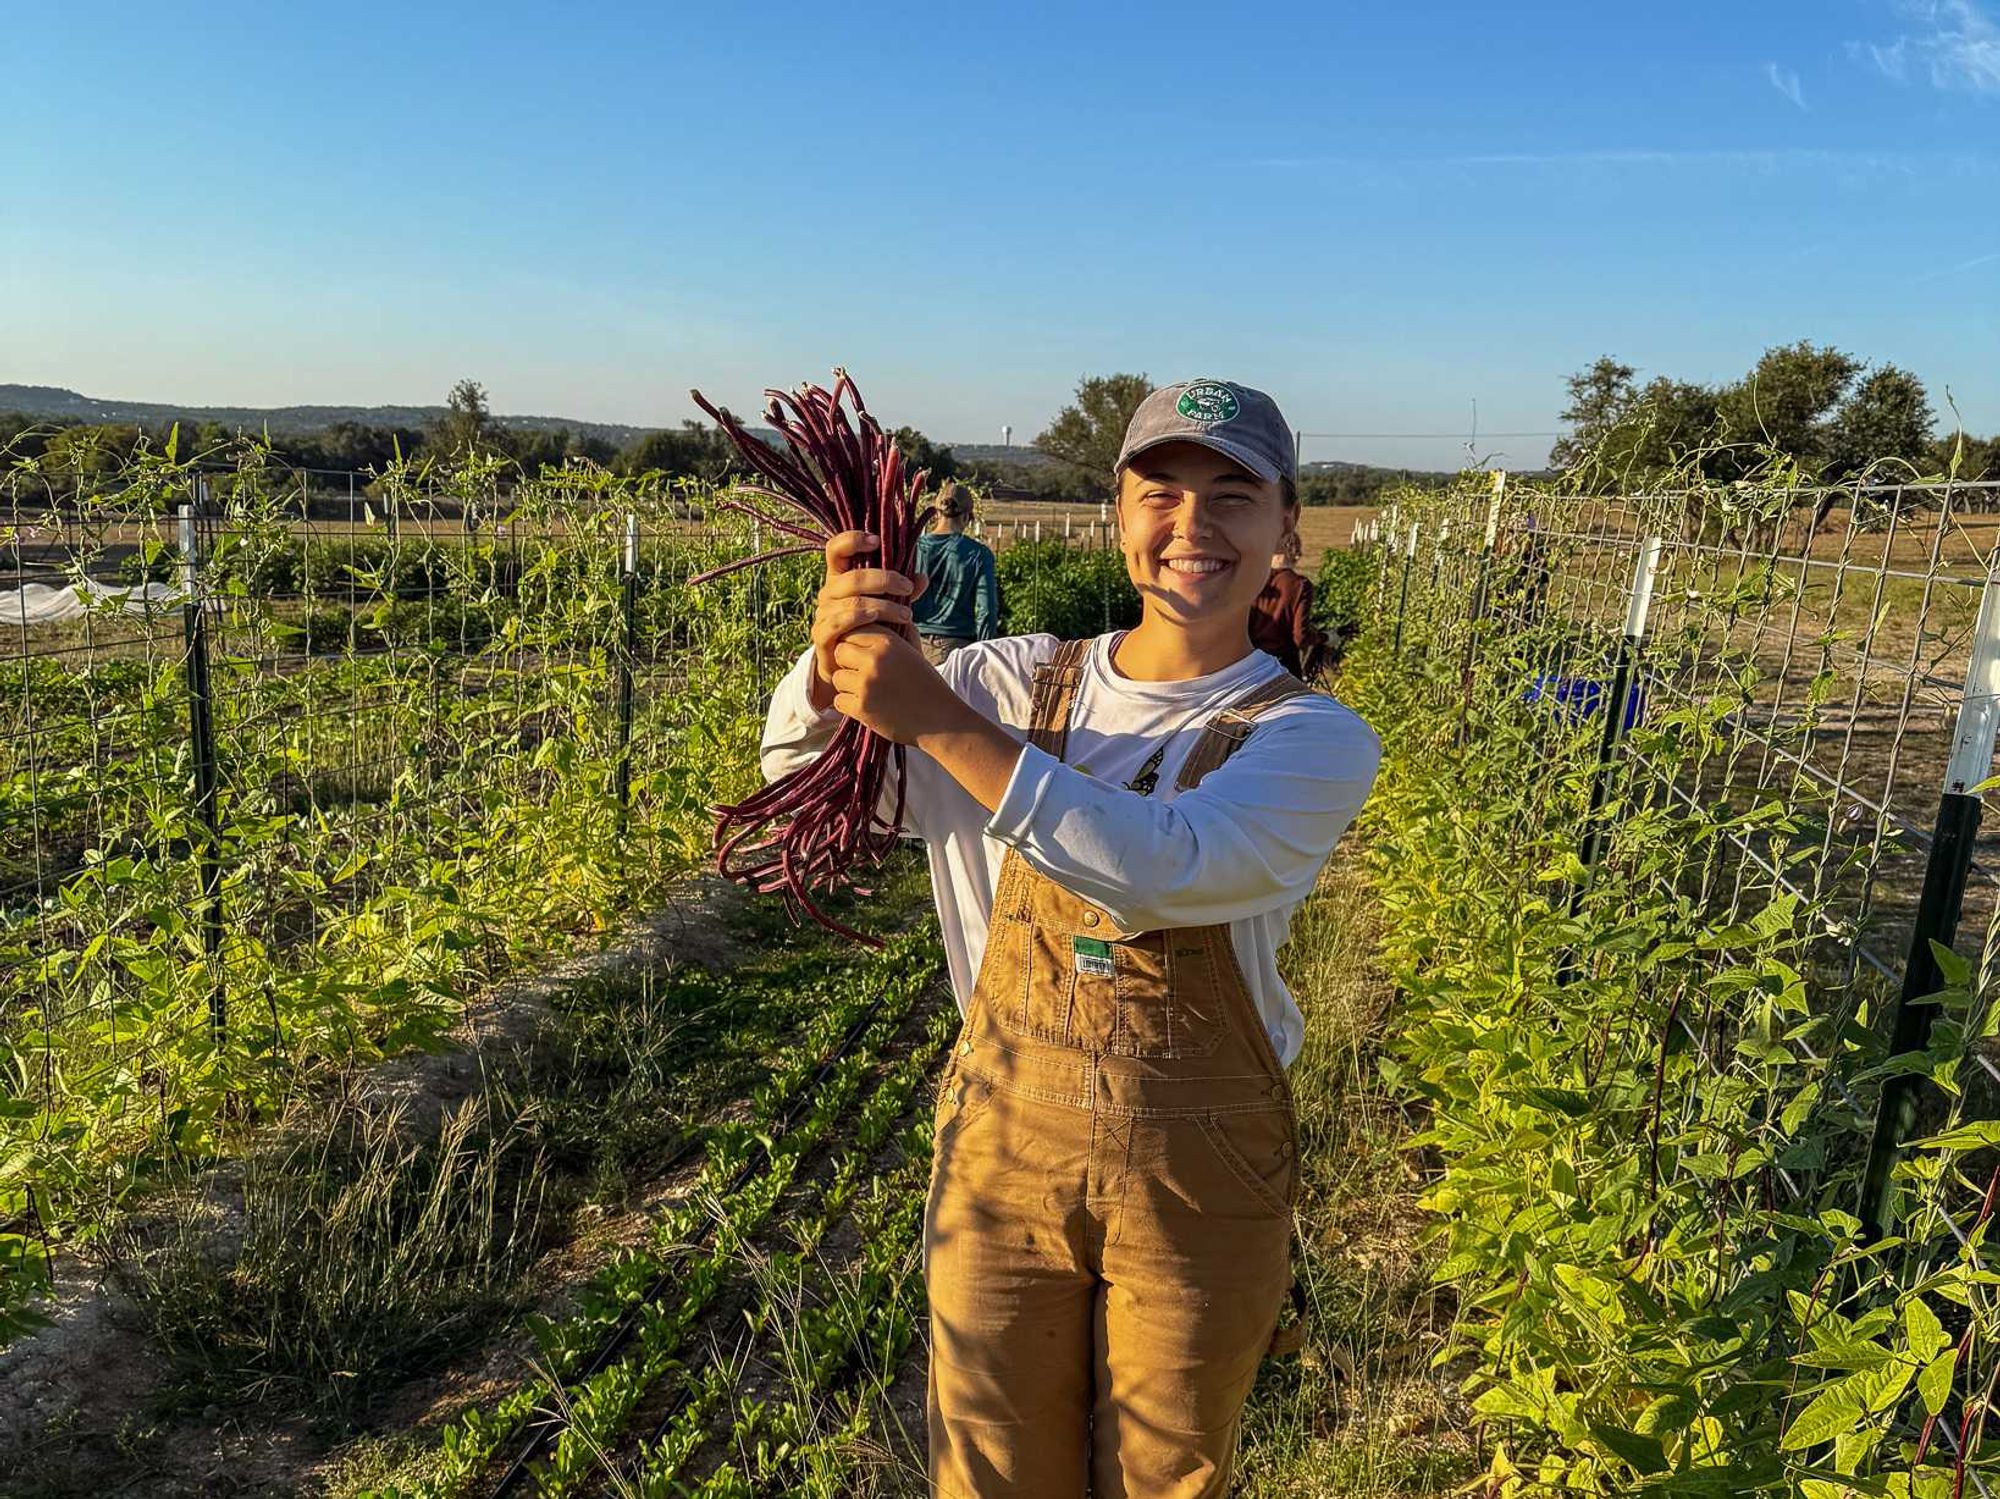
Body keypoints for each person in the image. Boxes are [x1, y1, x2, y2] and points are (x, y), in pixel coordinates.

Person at [761, 378, 1381, 1498]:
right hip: (999, 1145)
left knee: (1165, 1475)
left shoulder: (1308, 736)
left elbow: (1163, 867)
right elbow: (810, 780)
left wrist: (939, 721)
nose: (1192, 526)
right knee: (989, 1468)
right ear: (1116, 512)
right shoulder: (1004, 677)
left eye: (1233, 496)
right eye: (1160, 491)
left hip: (1199, 1171)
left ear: (1288, 524)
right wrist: (832, 662)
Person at [911, 480, 1001, 664]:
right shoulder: (978, 553)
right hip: (956, 649)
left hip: (912, 644)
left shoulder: (914, 549)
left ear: (936, 514)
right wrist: (984, 650)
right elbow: (987, 610)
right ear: (967, 517)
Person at [1247, 529, 1327, 679]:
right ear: (1295, 553)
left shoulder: (1252, 580)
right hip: (1284, 666)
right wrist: (1321, 637)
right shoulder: (1300, 585)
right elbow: (1300, 637)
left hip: (1250, 665)